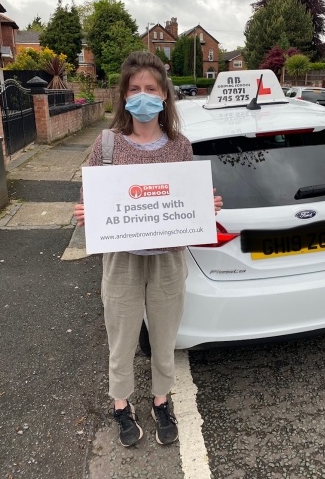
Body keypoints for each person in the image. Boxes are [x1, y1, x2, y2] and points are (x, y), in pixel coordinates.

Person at [74, 51, 223, 447]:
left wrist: (205, 207)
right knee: (121, 338)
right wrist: (86, 212)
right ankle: (121, 405)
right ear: (124, 96)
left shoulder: (180, 146)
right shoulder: (107, 144)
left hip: (168, 260)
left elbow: (187, 200)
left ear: (164, 95)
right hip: (122, 261)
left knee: (164, 336)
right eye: (135, 89)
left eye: (151, 89)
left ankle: (161, 400)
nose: (143, 96)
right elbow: (91, 199)